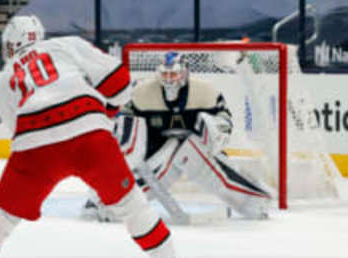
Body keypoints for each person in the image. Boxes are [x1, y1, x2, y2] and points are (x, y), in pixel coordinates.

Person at [0, 15, 191, 258]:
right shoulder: (66, 45)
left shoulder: (4, 79)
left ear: (10, 45)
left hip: (36, 145)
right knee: (133, 206)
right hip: (90, 134)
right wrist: (104, 112)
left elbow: (19, 133)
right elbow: (120, 83)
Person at [83, 51, 273, 223]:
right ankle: (103, 200)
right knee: (123, 162)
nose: (169, 80)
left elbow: (223, 121)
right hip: (153, 151)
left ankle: (253, 201)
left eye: (173, 74)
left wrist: (217, 132)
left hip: (191, 148)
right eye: (165, 75)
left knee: (191, 151)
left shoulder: (205, 93)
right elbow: (123, 127)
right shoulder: (141, 94)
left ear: (184, 74)